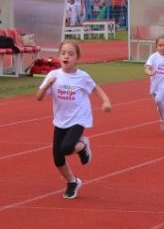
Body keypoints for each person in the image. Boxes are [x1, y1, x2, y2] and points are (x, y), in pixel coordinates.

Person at [35, 39, 112, 200]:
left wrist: (106, 101)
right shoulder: (53, 75)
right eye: (63, 53)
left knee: (67, 147)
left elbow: (96, 88)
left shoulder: (82, 77)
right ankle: (72, 182)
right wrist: (47, 84)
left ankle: (83, 145)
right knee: (58, 159)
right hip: (61, 120)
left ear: (77, 58)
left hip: (79, 118)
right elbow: (39, 97)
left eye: (71, 54)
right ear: (59, 56)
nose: (66, 56)